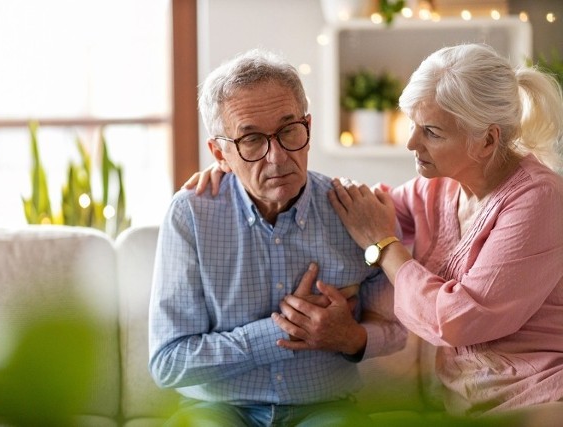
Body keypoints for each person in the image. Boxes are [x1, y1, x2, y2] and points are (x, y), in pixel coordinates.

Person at [185, 43, 563, 417]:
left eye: (431, 131)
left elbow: (458, 320)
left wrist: (385, 247)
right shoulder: (439, 187)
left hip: (541, 397)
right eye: (413, 124)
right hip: (469, 404)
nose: (411, 142)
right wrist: (238, 168)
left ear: (487, 140)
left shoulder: (541, 199)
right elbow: (351, 209)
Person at [148, 48, 406, 426]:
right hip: (216, 410)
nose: (277, 157)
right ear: (220, 153)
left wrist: (350, 337)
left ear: (308, 127)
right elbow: (168, 363)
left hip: (325, 408)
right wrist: (277, 332)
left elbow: (397, 332)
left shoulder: (354, 210)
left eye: (288, 131)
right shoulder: (191, 214)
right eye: (251, 140)